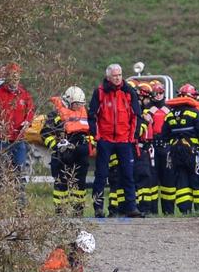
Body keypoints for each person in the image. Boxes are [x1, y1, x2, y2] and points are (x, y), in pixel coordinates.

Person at [88, 63, 145, 218]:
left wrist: (132, 136)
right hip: (105, 139)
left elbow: (136, 116)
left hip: (124, 140)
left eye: (120, 74)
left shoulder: (129, 92)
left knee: (128, 174)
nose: (118, 78)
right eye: (115, 75)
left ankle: (131, 207)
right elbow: (92, 116)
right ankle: (98, 208)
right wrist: (97, 136)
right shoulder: (99, 93)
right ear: (108, 76)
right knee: (101, 175)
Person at [160, 85, 199, 215]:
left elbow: (164, 136)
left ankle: (185, 210)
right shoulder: (195, 113)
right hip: (192, 153)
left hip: (175, 154)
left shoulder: (170, 115)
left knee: (181, 181)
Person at [41, 86, 92, 216]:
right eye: (76, 104)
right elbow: (45, 133)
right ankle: (60, 212)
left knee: (80, 184)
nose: (78, 107)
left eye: (81, 104)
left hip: (80, 153)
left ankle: (78, 211)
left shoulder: (85, 114)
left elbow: (93, 132)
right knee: (61, 184)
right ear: (69, 101)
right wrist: (57, 145)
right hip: (61, 155)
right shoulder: (56, 115)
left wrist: (87, 143)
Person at [134, 81, 169, 215]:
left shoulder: (169, 108)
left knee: (167, 181)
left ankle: (168, 211)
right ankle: (152, 210)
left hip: (166, 147)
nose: (159, 96)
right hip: (151, 146)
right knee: (151, 180)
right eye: (156, 93)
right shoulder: (147, 109)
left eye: (161, 93)